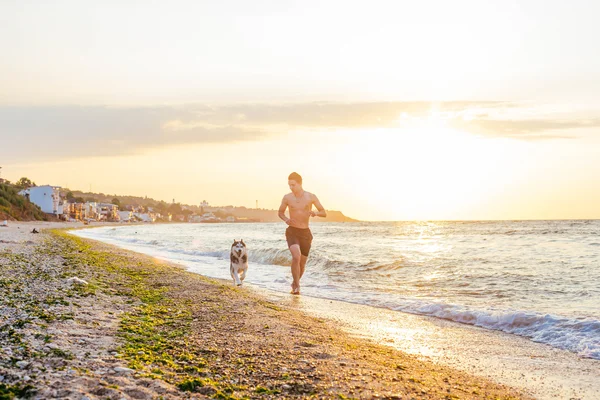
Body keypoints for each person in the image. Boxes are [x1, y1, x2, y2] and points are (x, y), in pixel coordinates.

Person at [278, 172, 326, 295]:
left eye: (293, 185)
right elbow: (280, 212)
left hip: (305, 233)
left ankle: (295, 283)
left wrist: (315, 213)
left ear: (299, 184)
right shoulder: (287, 197)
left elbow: (323, 212)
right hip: (292, 231)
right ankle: (297, 286)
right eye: (289, 185)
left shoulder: (311, 197)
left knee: (302, 263)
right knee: (296, 256)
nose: (291, 188)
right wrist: (286, 220)